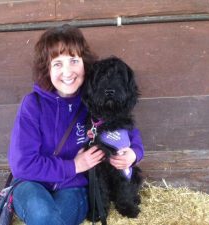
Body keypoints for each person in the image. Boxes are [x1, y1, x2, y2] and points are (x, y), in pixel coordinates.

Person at [8, 24, 144, 225]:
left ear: (84, 64)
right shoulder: (33, 104)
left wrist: (135, 153)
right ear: (47, 68)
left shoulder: (93, 100)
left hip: (73, 186)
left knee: (55, 218)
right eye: (57, 64)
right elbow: (22, 165)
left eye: (73, 60)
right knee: (42, 213)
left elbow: (124, 127)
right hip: (31, 183)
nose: (67, 71)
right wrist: (74, 165)